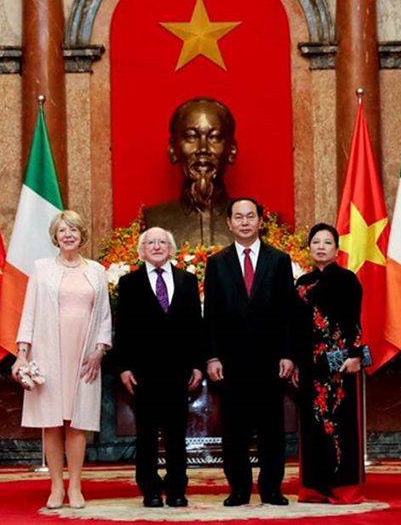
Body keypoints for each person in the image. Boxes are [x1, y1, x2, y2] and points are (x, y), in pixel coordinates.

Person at [11, 210, 112, 509]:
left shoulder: (96, 270)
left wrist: (100, 349)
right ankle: (56, 487)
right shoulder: (41, 269)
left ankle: (76, 487)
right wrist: (22, 353)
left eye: (73, 230)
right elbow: (28, 312)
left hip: (84, 355)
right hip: (48, 352)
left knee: (77, 421)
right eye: (62, 230)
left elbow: (105, 315)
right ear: (55, 237)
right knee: (52, 421)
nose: (68, 235)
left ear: (82, 235)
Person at [204, 198, 295, 506]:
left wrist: (287, 354)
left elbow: (287, 311)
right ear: (229, 223)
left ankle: (271, 488)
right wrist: (212, 356)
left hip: (270, 360)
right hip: (231, 362)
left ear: (260, 221)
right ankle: (239, 488)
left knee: (272, 427)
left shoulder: (279, 260)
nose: (244, 222)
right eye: (238, 217)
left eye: (250, 216)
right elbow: (211, 314)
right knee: (234, 429)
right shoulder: (216, 263)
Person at [114, 227, 205, 508]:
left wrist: (198, 365)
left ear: (171, 247)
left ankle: (177, 487)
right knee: (147, 434)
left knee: (178, 433)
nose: (156, 246)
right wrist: (124, 367)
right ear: (142, 250)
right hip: (144, 372)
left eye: (162, 242)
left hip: (179, 371)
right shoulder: (128, 283)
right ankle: (150, 488)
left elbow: (195, 327)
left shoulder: (188, 281)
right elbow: (124, 329)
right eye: (150, 242)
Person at [292, 223, 365, 504]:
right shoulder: (301, 284)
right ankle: (314, 487)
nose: (321, 247)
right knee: (312, 425)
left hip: (340, 364)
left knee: (340, 423)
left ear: (337, 249)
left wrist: (355, 355)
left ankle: (343, 487)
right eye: (316, 242)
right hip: (310, 365)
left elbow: (354, 321)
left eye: (327, 242)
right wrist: (297, 364)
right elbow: (297, 328)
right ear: (309, 248)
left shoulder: (348, 279)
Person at [143, 97, 237, 247]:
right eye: (191, 137)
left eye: (214, 137)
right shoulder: (153, 220)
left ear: (232, 150)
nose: (203, 149)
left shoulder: (255, 221)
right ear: (173, 150)